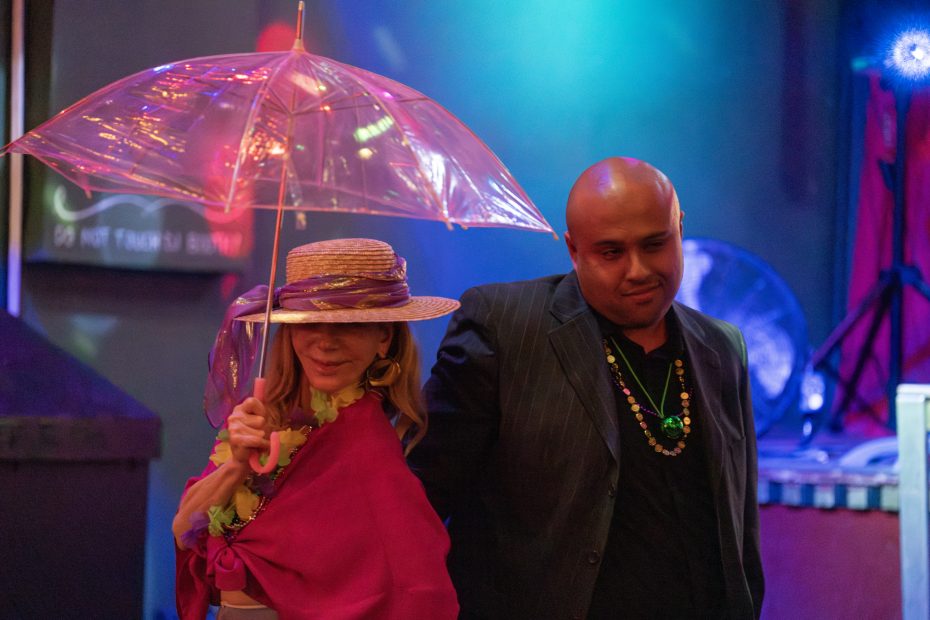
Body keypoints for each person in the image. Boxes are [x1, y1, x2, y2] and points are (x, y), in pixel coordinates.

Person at [410, 157, 765, 619]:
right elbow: (418, 502)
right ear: (574, 251)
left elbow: (739, 533)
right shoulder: (505, 326)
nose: (637, 270)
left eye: (655, 244)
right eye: (611, 253)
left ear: (679, 228)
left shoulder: (722, 346)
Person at [173, 238, 461, 620]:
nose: (326, 343)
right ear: (290, 332)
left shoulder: (368, 447)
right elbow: (184, 530)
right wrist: (237, 465)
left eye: (348, 326)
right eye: (311, 322)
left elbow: (421, 594)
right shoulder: (258, 418)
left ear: (384, 339)